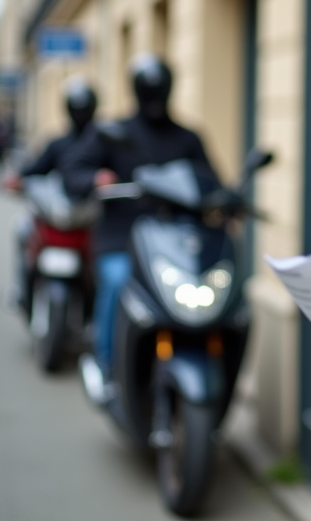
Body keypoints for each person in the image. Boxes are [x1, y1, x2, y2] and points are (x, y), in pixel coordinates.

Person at [61, 54, 214, 382]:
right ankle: (108, 364)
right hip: (123, 239)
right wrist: (95, 179)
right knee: (118, 281)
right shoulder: (112, 132)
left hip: (176, 244)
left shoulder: (188, 138)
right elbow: (72, 171)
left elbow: (210, 179)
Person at [3, 77, 98, 311]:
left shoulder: (103, 142)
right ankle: (21, 289)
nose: (80, 113)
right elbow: (38, 167)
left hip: (90, 215)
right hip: (58, 212)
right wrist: (19, 179)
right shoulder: (58, 143)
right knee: (22, 229)